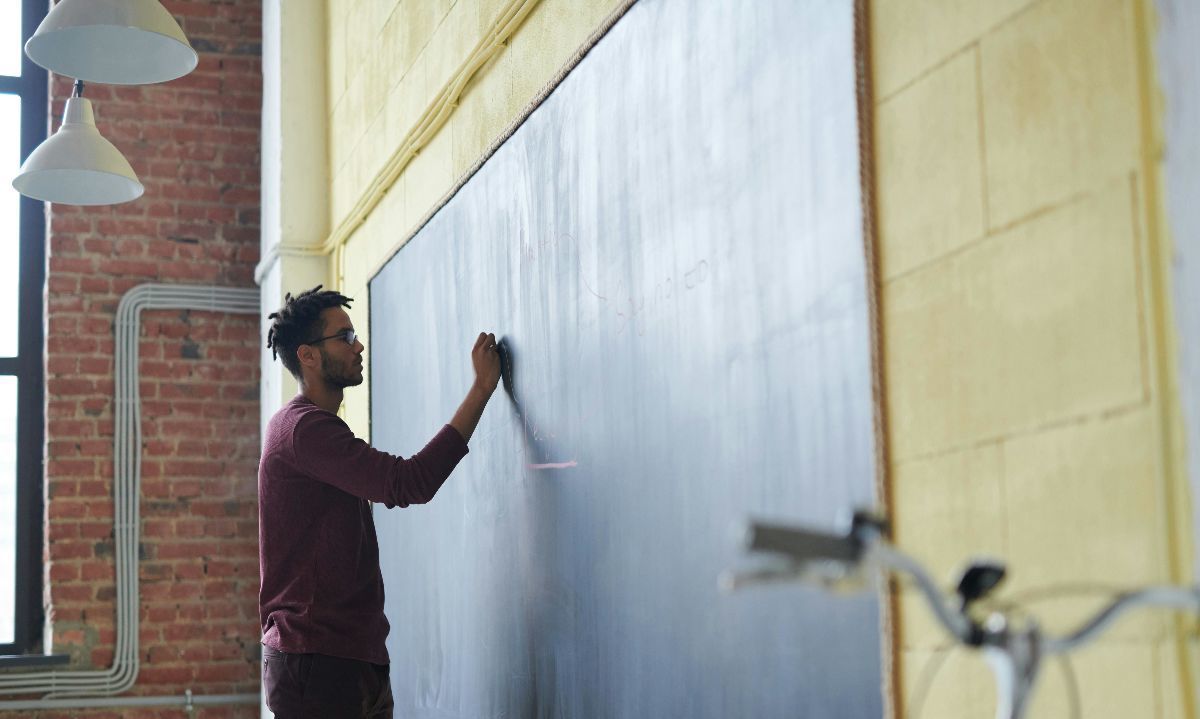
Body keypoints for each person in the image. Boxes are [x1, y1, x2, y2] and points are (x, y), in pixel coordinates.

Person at [258, 285, 501, 718]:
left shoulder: (313, 430)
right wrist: (481, 388)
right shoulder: (304, 431)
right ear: (308, 356)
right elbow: (410, 482)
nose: (359, 345)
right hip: (319, 662)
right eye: (345, 337)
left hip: (345, 656)